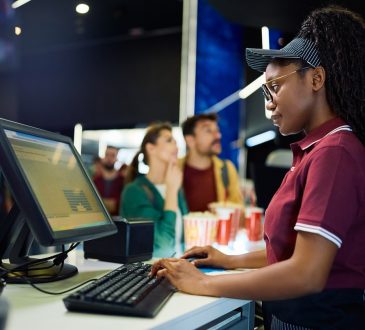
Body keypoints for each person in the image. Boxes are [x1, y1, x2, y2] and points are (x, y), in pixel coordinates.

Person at [151, 6, 365, 329]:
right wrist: (228, 260)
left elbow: (307, 273)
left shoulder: (335, 153)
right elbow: (291, 251)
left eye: (274, 87)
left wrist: (203, 283)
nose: (268, 103)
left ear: (317, 79)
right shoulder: (318, 150)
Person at [120, 123, 188, 257]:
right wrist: (172, 191)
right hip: (149, 273)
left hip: (178, 269)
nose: (176, 145)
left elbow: (183, 238)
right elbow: (163, 245)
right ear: (151, 148)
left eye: (175, 140)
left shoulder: (175, 185)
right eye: (169, 140)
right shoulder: (134, 192)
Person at [179, 113, 243, 212]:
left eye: (217, 130)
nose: (218, 136)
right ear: (190, 140)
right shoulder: (175, 169)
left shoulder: (227, 168)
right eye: (208, 131)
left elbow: (239, 212)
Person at [93, 146, 124, 216]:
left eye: (113, 155)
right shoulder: (95, 179)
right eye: (107, 155)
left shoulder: (122, 180)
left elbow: (121, 203)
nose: (109, 158)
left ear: (116, 158)